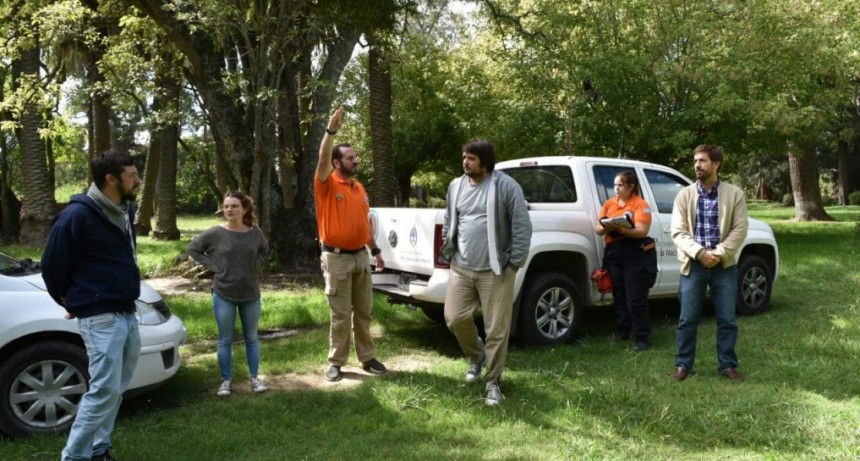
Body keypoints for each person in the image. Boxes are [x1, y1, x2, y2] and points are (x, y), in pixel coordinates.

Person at [41, 150, 142, 461]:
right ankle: (74, 457)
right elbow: (52, 264)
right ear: (110, 179)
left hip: (126, 312)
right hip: (101, 317)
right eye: (131, 176)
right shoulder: (77, 215)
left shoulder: (123, 210)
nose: (137, 181)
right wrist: (70, 299)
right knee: (102, 391)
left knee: (115, 389)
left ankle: (99, 450)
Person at [440, 139, 532, 406]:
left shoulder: (505, 186)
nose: (465, 162)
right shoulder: (456, 186)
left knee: (496, 330)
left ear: (485, 161)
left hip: (496, 270)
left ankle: (493, 383)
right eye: (464, 157)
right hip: (462, 266)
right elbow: (449, 218)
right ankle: (477, 356)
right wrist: (449, 247)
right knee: (454, 318)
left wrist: (514, 263)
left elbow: (522, 226)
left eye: (471, 158)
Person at [315, 106, 387, 382]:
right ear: (336, 163)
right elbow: (322, 159)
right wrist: (331, 130)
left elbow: (363, 224)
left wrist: (376, 251)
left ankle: (367, 358)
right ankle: (336, 362)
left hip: (360, 258)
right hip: (337, 259)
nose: (355, 161)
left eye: (355, 157)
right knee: (341, 314)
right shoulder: (326, 184)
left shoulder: (358, 188)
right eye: (350, 158)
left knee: (365, 313)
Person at [670, 144, 749, 382]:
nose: (697, 165)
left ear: (716, 164)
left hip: (723, 266)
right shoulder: (684, 195)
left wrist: (719, 252)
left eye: (702, 161)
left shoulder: (734, 194)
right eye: (695, 161)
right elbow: (678, 231)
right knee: (687, 319)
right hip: (694, 265)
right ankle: (683, 365)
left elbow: (740, 229)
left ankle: (727, 365)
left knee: (727, 318)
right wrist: (700, 253)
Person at [187, 192, 270, 396]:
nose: (229, 210)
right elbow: (194, 249)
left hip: (250, 292)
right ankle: (226, 381)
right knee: (225, 339)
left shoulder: (255, 232)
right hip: (224, 292)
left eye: (234, 206)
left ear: (244, 209)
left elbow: (265, 249)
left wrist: (255, 265)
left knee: (251, 337)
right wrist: (214, 267)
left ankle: (255, 378)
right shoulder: (215, 233)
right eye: (226, 206)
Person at [594, 171, 658, 352]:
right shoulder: (609, 204)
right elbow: (598, 228)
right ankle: (623, 330)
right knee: (619, 294)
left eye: (620, 185)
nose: (616, 189)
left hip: (634, 254)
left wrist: (620, 230)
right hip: (614, 253)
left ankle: (642, 336)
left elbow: (641, 231)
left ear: (631, 187)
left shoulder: (640, 205)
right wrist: (606, 227)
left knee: (635, 297)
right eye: (614, 185)